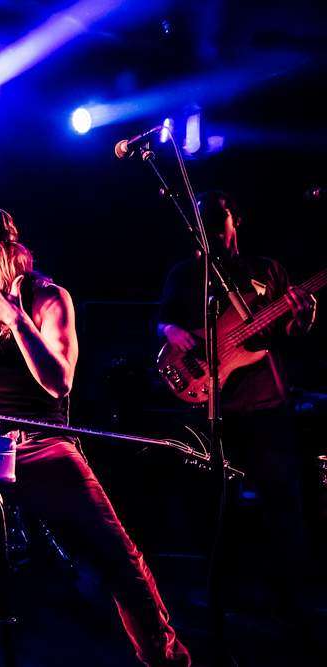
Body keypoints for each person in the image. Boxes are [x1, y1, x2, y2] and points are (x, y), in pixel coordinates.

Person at [0, 204, 191, 666]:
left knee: (118, 557)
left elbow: (59, 381)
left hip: (41, 444)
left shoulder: (49, 298)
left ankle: (168, 659)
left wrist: (16, 321)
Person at [157, 190, 316, 629]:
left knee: (282, 504)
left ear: (236, 220)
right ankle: (220, 591)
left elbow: (290, 329)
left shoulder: (268, 271)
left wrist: (303, 319)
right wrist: (172, 330)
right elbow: (162, 318)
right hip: (213, 404)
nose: (208, 221)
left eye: (217, 214)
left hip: (267, 403)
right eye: (201, 216)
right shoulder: (186, 273)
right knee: (215, 504)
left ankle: (290, 603)